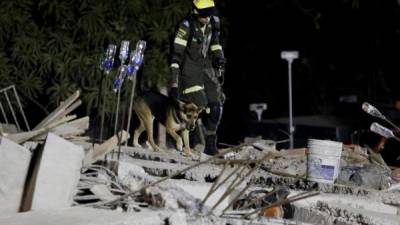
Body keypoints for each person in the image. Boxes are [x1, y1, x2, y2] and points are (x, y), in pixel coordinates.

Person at [169, 0, 226, 157]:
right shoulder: (186, 26)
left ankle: (210, 143)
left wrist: (219, 57)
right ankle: (191, 143)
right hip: (189, 69)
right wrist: (174, 83)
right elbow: (176, 56)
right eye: (204, 15)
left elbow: (215, 43)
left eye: (210, 14)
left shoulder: (213, 22)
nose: (208, 18)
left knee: (216, 104)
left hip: (206, 66)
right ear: (196, 13)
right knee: (201, 105)